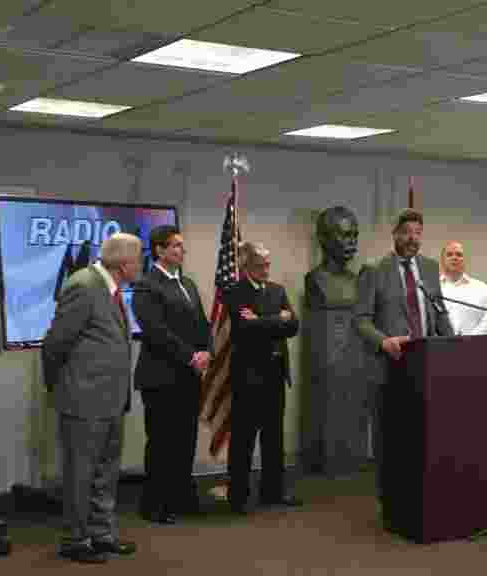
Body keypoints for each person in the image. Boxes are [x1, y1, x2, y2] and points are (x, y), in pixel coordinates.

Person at [42, 232, 142, 563]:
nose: (140, 265)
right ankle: (76, 540)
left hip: (111, 400)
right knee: (80, 474)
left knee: (105, 472)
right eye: (138, 259)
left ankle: (101, 535)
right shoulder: (83, 285)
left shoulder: (112, 290)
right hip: (83, 400)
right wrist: (64, 388)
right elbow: (56, 343)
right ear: (123, 263)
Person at [355, 208, 454, 498]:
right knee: (392, 437)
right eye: (407, 232)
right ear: (395, 234)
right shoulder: (374, 270)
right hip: (392, 363)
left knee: (423, 434)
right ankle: (391, 495)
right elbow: (360, 319)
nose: (413, 238)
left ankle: (421, 491)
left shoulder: (430, 267)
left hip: (427, 363)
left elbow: (439, 310)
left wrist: (454, 344)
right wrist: (383, 341)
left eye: (418, 233)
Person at [132, 225, 212, 525]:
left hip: (189, 376)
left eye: (182, 245)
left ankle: (182, 498)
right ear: (160, 250)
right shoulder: (146, 286)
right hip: (161, 376)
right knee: (163, 442)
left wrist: (206, 351)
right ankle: (155, 505)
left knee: (185, 440)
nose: (182, 250)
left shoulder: (187, 284)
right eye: (176, 246)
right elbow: (156, 332)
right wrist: (189, 356)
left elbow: (201, 323)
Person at [227, 241, 301, 513]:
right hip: (248, 376)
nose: (266, 270)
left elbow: (294, 325)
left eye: (268, 265)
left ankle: (273, 492)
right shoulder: (236, 291)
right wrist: (276, 320)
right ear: (246, 265)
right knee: (244, 438)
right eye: (260, 265)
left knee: (274, 438)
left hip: (275, 373)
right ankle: (239, 497)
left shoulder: (277, 290)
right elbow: (244, 328)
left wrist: (262, 320)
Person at [439, 241, 487, 336]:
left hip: (473, 346)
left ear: (464, 260)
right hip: (440, 346)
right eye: (449, 255)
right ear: (442, 260)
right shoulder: (433, 287)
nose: (454, 258)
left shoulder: (481, 288)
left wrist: (470, 339)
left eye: (459, 255)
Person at [305, 205, 361, 308]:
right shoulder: (314, 280)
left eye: (355, 235)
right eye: (346, 235)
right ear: (323, 238)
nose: (353, 242)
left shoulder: (358, 281)